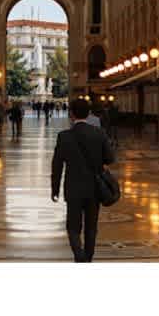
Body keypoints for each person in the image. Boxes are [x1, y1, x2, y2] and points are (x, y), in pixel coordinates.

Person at [51, 99, 115, 262]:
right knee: (91, 227)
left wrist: (55, 190)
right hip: (95, 188)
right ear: (89, 113)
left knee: (73, 227)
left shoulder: (64, 136)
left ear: (71, 113)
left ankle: (79, 257)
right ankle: (88, 258)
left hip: (73, 189)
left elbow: (57, 166)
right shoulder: (99, 133)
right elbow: (110, 159)